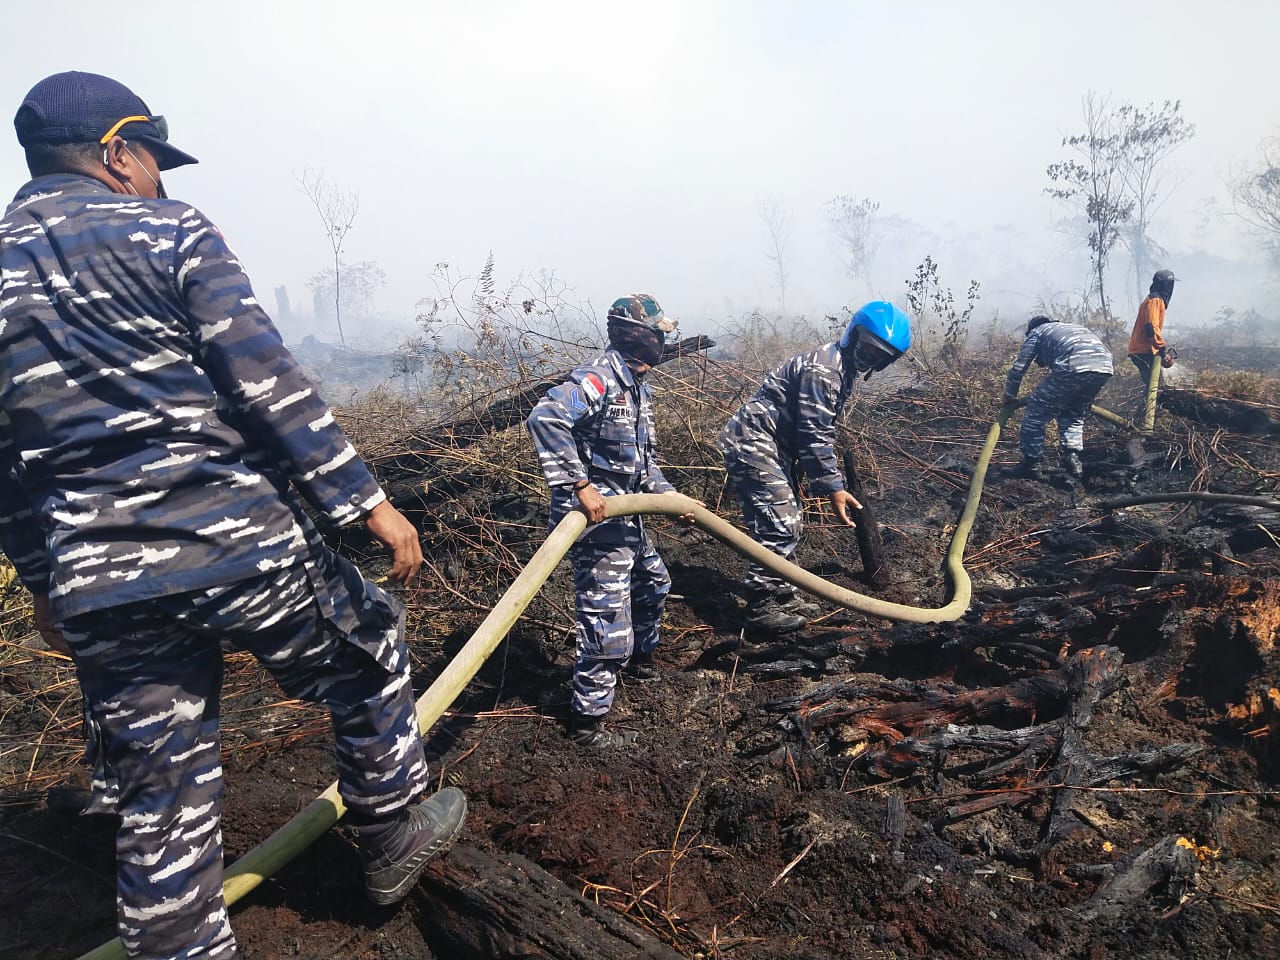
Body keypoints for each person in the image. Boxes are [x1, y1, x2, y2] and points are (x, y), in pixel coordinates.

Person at [0, 72, 465, 960]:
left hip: (100, 582)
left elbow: (3, 469)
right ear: (115, 152)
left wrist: (45, 583)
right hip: (233, 542)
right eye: (151, 161)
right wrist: (365, 502)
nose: (160, 180)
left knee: (159, 802)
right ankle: (393, 835)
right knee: (367, 646)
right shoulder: (167, 230)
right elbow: (266, 384)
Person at [527, 293, 694, 748]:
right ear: (637, 334)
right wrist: (579, 485)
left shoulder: (637, 387)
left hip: (630, 520)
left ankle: (640, 664)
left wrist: (670, 498)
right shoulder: (599, 379)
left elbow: (645, 466)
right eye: (659, 333)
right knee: (607, 624)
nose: (663, 341)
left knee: (655, 584)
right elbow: (545, 417)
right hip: (597, 526)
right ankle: (587, 722)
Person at [719, 301, 911, 636]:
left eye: (879, 356)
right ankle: (761, 606)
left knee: (789, 516)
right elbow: (814, 433)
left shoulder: (840, 369)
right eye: (868, 348)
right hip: (754, 442)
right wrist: (833, 488)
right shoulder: (825, 371)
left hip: (774, 445)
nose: (870, 358)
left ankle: (782, 591)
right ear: (854, 335)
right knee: (780, 522)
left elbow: (813, 432)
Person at [1003, 315, 1114, 479]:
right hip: (1104, 367)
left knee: (1036, 413)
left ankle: (1031, 464)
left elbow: (1020, 366)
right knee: (1074, 413)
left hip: (1074, 365)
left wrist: (1009, 394)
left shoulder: (1037, 331)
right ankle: (1073, 457)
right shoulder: (1070, 328)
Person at [1127, 269, 1177, 384]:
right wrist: (1162, 349)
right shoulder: (1155, 300)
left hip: (1145, 350)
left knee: (1155, 386)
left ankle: (1150, 402)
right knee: (1155, 388)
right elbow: (1150, 327)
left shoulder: (1154, 300)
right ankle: (1149, 403)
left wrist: (1160, 351)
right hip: (1143, 351)